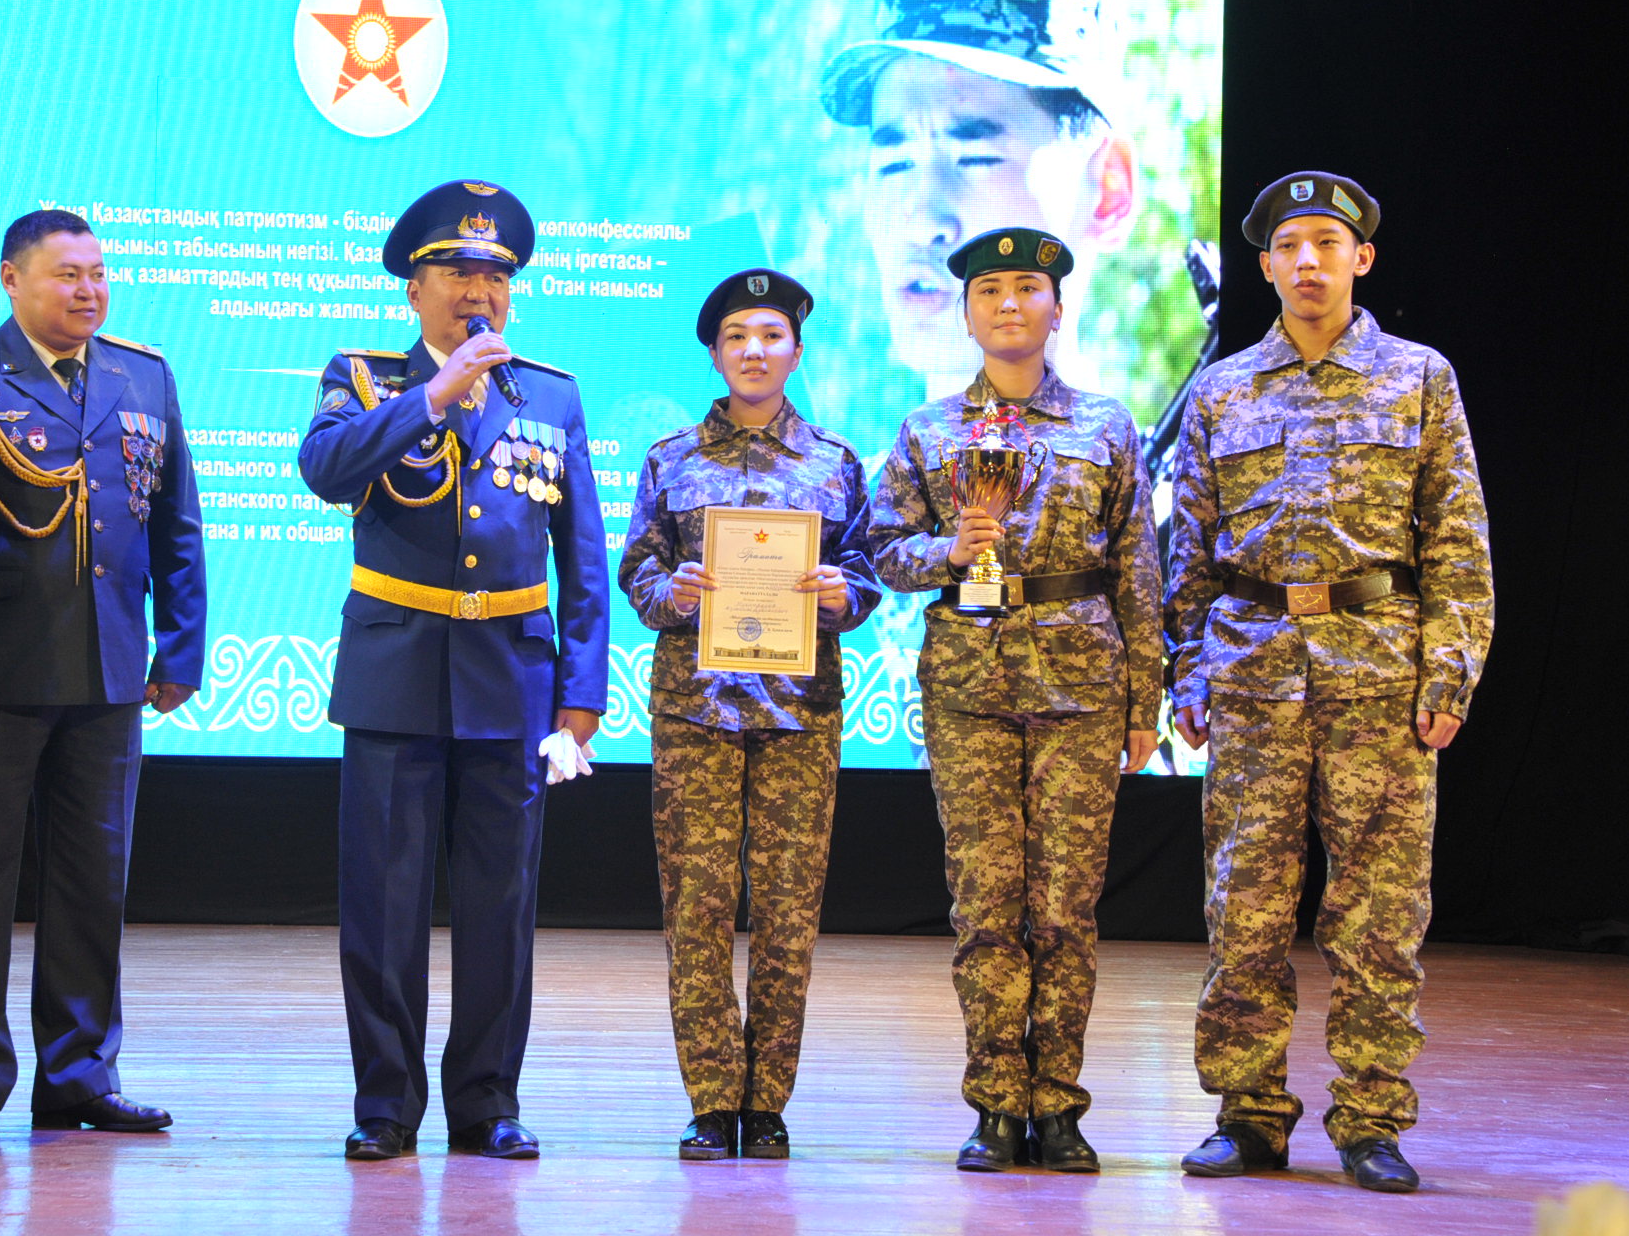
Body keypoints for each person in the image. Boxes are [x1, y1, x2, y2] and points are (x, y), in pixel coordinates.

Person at [1165, 173, 1493, 1194]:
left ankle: (1370, 1120)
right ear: (1262, 266)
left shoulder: (1418, 379)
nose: (1306, 260)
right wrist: (1188, 671)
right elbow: (1189, 554)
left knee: (1377, 919)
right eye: (1287, 245)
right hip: (1254, 676)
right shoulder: (1221, 391)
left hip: (1379, 681)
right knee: (1245, 912)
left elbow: (1457, 543)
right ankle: (1247, 1113)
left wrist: (1450, 671)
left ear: (1362, 259)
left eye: (1326, 241)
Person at [298, 179, 610, 1162]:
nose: (478, 292)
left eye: (495, 275)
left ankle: (486, 1105)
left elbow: (585, 556)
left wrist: (581, 694)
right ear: (415, 288)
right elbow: (325, 471)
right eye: (458, 272)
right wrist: (432, 395)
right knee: (382, 909)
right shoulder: (362, 378)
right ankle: (385, 1105)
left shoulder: (548, 393)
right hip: (393, 676)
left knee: (500, 910)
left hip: (510, 685)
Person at [867, 227, 1162, 1174]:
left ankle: (1061, 1107)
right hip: (969, 687)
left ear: (1057, 308)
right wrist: (944, 553)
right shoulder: (927, 430)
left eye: (1027, 288)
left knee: (1066, 910)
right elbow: (879, 550)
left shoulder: (1106, 426)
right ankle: (997, 1103)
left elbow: (1139, 573)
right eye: (989, 290)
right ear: (966, 314)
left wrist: (1144, 702)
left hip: (1081, 685)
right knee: (985, 905)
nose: (1008, 304)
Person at [0, 209, 206, 1143]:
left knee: (91, 884)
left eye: (98, 273)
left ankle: (79, 1073)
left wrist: (184, 643)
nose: (88, 290)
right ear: (11, 279)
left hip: (111, 666)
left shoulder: (141, 372)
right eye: (66, 275)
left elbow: (176, 520)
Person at [617, 270, 881, 1162]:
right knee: (696, 908)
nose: (754, 351)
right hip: (695, 712)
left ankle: (765, 1102)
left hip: (800, 717)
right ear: (716, 354)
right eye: (737, 337)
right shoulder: (669, 458)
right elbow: (638, 577)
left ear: (796, 352)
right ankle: (709, 1100)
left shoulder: (836, 461)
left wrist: (848, 592)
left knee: (787, 912)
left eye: (770, 335)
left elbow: (867, 577)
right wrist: (674, 592)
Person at [820, 0, 1139, 401]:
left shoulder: (1168, 475)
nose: (922, 222)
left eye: (976, 159)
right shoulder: (842, 477)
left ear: (1110, 191)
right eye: (894, 163)